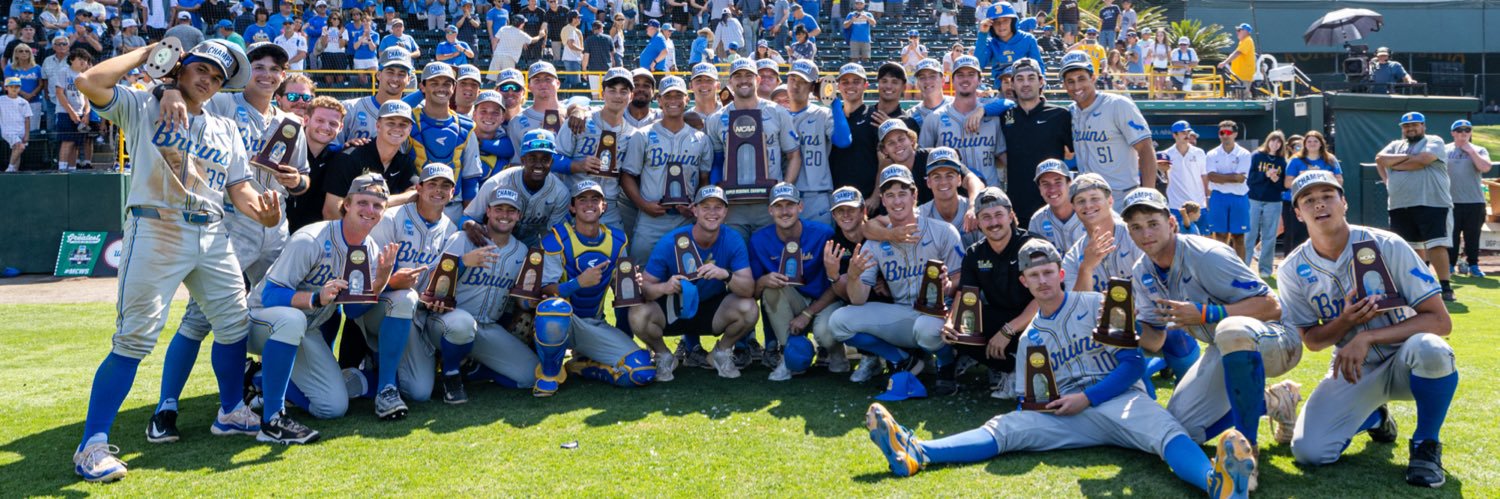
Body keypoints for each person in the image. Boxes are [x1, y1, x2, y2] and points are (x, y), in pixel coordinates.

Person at [860, 237, 1257, 499]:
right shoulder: (1031, 338)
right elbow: (1028, 400)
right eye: (1034, 275)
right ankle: (917, 452)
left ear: (1060, 273)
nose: (1043, 280)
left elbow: (1133, 363)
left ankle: (1215, 482)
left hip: (1118, 398)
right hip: (1069, 415)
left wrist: (1087, 397)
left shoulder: (1097, 304)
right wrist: (1037, 411)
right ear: (1024, 282)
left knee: (1166, 429)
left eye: (1048, 271)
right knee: (1007, 427)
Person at [70, 39, 288, 482]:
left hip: (211, 230)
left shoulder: (225, 127)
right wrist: (156, 51)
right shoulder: (143, 105)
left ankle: (230, 412)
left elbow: (239, 188)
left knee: (233, 324)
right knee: (134, 338)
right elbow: (88, 81)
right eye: (201, 69)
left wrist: (261, 211)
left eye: (217, 77)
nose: (207, 80)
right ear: (180, 68)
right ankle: (91, 445)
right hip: (157, 224)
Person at [147, 42, 313, 442]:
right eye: (259, 65)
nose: (267, 74)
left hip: (275, 226)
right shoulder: (222, 103)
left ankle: (249, 401)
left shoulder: (290, 121)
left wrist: (296, 181)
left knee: (275, 309)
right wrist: (167, 89)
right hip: (230, 222)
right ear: (247, 71)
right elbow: (173, 96)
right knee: (200, 318)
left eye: (276, 68)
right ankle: (166, 405)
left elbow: (305, 179)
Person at [1278, 170, 1458, 489]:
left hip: (1407, 360)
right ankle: (1375, 417)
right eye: (1308, 200)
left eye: (1327, 196)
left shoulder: (1386, 244)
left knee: (1432, 349)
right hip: (1354, 369)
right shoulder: (1293, 269)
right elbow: (1313, 341)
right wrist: (1347, 321)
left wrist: (1367, 335)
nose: (1319, 205)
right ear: (1297, 212)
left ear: (1343, 202)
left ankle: (1426, 445)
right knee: (1309, 452)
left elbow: (1440, 321)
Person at [1122, 187, 1303, 492]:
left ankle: (1250, 447)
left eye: (1152, 223)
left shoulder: (1206, 254)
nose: (1145, 234)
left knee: (1230, 329)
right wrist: (1125, 329)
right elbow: (1155, 341)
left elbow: (1271, 306)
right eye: (1135, 227)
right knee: (1182, 429)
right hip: (1226, 347)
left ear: (1172, 223)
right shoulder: (1142, 272)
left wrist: (1206, 313)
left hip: (1278, 340)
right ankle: (1272, 401)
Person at [829, 165, 964, 400]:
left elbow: (961, 278)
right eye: (890, 195)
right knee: (839, 322)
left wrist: (948, 285)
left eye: (902, 193)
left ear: (915, 195)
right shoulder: (874, 243)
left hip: (938, 314)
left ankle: (946, 363)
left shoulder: (943, 231)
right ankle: (902, 358)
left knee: (926, 329)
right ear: (882, 199)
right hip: (902, 312)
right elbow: (858, 299)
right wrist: (852, 275)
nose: (896, 201)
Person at [529, 181, 660, 395]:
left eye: (595, 199)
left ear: (604, 207)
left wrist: (632, 283)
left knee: (641, 371)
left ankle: (582, 366)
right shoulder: (557, 240)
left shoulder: (617, 240)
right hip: (561, 321)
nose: (589, 204)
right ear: (572, 207)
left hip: (593, 323)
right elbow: (544, 291)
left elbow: (622, 295)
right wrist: (578, 283)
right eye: (582, 199)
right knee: (554, 308)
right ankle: (549, 374)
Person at [630, 185, 759, 380]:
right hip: (674, 308)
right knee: (638, 314)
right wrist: (665, 287)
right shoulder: (671, 241)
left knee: (749, 308)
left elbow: (749, 289)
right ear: (695, 210)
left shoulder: (732, 239)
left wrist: (726, 275)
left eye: (718, 207)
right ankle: (664, 355)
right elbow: (645, 289)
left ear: (726, 211)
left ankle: (720, 353)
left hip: (712, 308)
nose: (712, 213)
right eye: (705, 207)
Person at [430, 186, 540, 394]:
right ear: (488, 211)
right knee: (462, 324)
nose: (504, 215)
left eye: (511, 210)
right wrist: (463, 263)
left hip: (487, 327)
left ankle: (476, 370)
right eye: (499, 209)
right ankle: (451, 373)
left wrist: (528, 302)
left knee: (532, 375)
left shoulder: (521, 251)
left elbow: (516, 299)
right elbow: (434, 284)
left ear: (519, 215)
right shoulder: (462, 239)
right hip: (447, 321)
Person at [942, 186, 1036, 397]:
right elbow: (966, 295)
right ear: (978, 221)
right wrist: (950, 321)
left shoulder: (1032, 246)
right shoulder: (975, 253)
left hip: (1036, 320)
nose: (993, 223)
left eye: (998, 215)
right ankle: (1010, 370)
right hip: (1000, 316)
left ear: (1011, 215)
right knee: (957, 330)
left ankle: (1030, 370)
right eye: (986, 217)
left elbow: (1047, 298)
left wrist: (1007, 330)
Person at [706, 57, 802, 242]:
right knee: (737, 259)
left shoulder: (778, 112)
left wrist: (783, 191)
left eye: (748, 75)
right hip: (734, 205)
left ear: (757, 80)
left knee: (769, 259)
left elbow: (794, 155)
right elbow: (717, 161)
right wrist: (719, 194)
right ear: (730, 82)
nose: (743, 80)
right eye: (738, 76)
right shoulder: (716, 119)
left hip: (769, 203)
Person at [748, 182, 838, 379]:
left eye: (789, 205)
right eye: (778, 206)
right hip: (791, 303)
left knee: (827, 335)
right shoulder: (759, 240)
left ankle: (835, 353)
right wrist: (763, 281)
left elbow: (838, 285)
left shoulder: (824, 234)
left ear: (800, 207)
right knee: (771, 291)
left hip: (821, 303)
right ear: (770, 210)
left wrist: (808, 313)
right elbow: (753, 294)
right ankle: (788, 356)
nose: (784, 211)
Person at [621, 75, 711, 261]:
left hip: (685, 219)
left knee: (688, 275)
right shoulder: (643, 135)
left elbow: (704, 180)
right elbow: (627, 176)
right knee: (641, 275)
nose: (673, 101)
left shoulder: (701, 138)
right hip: (651, 219)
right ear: (659, 100)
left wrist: (697, 206)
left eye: (678, 96)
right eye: (668, 96)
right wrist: (643, 205)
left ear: (687, 99)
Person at [1374, 112, 1456, 301]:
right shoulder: (1396, 144)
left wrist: (1395, 163)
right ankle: (1419, 284)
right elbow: (1380, 159)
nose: (1411, 129)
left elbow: (1423, 160)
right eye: (1406, 126)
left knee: (1436, 244)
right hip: (1400, 204)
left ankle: (1445, 287)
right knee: (1408, 248)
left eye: (1415, 125)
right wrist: (1389, 178)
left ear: (1423, 126)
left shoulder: (1434, 140)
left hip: (1432, 202)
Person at [1060, 50, 1155, 209]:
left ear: (1093, 77)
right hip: (1088, 200)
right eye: (1070, 81)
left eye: (1081, 79)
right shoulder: (1071, 112)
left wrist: (1148, 197)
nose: (1076, 86)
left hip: (1122, 197)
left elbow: (1145, 148)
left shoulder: (1118, 105)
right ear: (1064, 85)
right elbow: (1068, 152)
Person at [987, 58, 1068, 225]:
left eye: (1031, 78)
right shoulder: (1005, 116)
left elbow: (1075, 154)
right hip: (1017, 208)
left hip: (1054, 205)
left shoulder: (1060, 115)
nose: (1025, 84)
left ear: (1041, 82)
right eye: (1020, 79)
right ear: (1013, 84)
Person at [558, 67, 637, 229]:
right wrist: (578, 165)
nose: (617, 96)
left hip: (609, 206)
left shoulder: (633, 134)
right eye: (612, 90)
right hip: (574, 203)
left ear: (631, 96)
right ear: (602, 94)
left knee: (616, 252)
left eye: (623, 91)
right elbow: (553, 160)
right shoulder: (580, 122)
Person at [467, 129, 572, 247]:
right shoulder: (497, 182)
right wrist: (468, 224)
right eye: (532, 158)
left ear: (551, 162)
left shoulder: (560, 192)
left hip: (534, 248)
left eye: (545, 159)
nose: (538, 164)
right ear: (522, 160)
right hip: (491, 243)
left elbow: (555, 233)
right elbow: (469, 217)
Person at [407, 62, 481, 221]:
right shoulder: (408, 122)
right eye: (434, 83)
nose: (441, 88)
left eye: (447, 84)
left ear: (454, 87)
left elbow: (470, 179)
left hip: (453, 209)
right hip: (412, 207)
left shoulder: (465, 128)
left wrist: (468, 219)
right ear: (422, 86)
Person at [325, 100, 421, 215]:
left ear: (409, 130)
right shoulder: (350, 157)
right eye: (390, 123)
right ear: (378, 126)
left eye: (403, 124)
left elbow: (417, 193)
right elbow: (331, 210)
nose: (397, 128)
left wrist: (382, 201)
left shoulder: (404, 162)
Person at [783, 60, 841, 225]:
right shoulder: (778, 115)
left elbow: (843, 141)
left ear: (812, 87)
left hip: (817, 196)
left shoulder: (823, 114)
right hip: (785, 198)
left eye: (803, 82)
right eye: (793, 79)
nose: (796, 85)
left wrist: (834, 102)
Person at [1060, 173, 1140, 293]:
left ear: (1110, 201)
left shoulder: (1135, 236)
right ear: (1073, 207)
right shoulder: (1073, 257)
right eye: (1081, 201)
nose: (1088, 206)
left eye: (1094, 198)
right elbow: (1078, 305)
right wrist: (1086, 268)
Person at [286, 96, 346, 231]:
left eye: (333, 123)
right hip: (279, 231)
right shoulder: (287, 148)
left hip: (316, 234)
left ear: (341, 127)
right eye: (320, 120)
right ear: (306, 120)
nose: (326, 127)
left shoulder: (340, 156)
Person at [338, 47, 412, 143]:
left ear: (409, 79)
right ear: (378, 75)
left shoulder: (411, 117)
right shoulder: (350, 108)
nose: (395, 78)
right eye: (390, 72)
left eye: (401, 74)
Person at [1445, 120, 1490, 278]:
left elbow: (1485, 167)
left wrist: (1470, 151)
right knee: (1451, 235)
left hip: (1474, 201)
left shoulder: (1479, 150)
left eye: (1467, 130)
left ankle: (1473, 265)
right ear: (1453, 133)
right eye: (1459, 130)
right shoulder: (1444, 150)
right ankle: (1450, 265)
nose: (1463, 133)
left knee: (1473, 235)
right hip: (1450, 202)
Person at [1282, 130, 1340, 251]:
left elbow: (1339, 181)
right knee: (1296, 235)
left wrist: (1321, 176)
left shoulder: (1330, 159)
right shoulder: (1295, 160)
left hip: (1323, 202)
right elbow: (1287, 183)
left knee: (1322, 232)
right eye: (1309, 141)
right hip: (1299, 202)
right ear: (1305, 144)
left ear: (1321, 144)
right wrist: (1303, 177)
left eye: (1315, 141)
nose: (1312, 143)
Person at [1205, 119, 1252, 257]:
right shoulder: (1212, 154)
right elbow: (1211, 177)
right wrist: (1232, 177)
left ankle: (1241, 272)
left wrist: (1221, 177)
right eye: (1221, 132)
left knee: (1239, 237)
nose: (1225, 135)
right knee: (1219, 236)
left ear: (1235, 134)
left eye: (1228, 132)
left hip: (1239, 197)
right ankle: (1222, 268)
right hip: (1218, 196)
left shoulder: (1244, 153)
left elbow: (1241, 179)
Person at [1244, 130, 1287, 277]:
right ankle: (1244, 267)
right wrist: (1265, 174)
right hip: (1254, 199)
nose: (1275, 144)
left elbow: (1284, 185)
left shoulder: (1282, 161)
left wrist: (1276, 180)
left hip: (1273, 201)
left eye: (1278, 142)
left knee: (1269, 236)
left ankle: (1265, 271)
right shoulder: (1256, 155)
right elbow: (1249, 178)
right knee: (1249, 234)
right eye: (1273, 140)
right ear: (1268, 141)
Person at [1027, 159, 1086, 256]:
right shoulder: (1037, 221)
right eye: (1045, 184)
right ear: (1040, 188)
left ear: (1069, 183)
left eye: (1058, 182)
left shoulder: (1088, 211)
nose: (1052, 189)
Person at [1161, 120, 1209, 234]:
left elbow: (1204, 177)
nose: (1186, 135)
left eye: (1188, 132)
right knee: (1178, 241)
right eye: (1183, 132)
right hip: (1176, 206)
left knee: (1203, 241)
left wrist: (1208, 199)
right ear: (1174, 135)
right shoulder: (1166, 154)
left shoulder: (1199, 153)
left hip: (1199, 205)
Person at [975, 2, 1041, 83]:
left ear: (1013, 22)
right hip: (1002, 90)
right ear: (991, 25)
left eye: (1005, 21)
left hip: (1025, 89)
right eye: (996, 22)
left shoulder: (1028, 39)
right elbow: (978, 65)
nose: (1001, 25)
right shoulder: (990, 43)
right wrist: (982, 35)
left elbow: (1039, 68)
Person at [52, 48, 92, 171]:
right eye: (80, 59)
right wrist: (71, 112)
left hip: (80, 113)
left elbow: (86, 98)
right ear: (71, 60)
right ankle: (62, 169)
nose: (83, 62)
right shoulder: (64, 71)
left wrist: (86, 114)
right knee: (67, 141)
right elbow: (59, 93)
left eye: (85, 60)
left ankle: (72, 169)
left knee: (75, 144)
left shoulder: (84, 76)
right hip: (64, 112)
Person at [0, 77, 31, 171]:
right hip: (8, 131)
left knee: (16, 151)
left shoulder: (24, 102)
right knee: (20, 147)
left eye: (17, 86)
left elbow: (27, 119)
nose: (14, 89)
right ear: (6, 88)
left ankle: (14, 174)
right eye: (11, 86)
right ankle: (9, 169)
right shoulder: (1, 100)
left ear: (20, 88)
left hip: (21, 132)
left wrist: (27, 135)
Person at [1218, 23, 1255, 99]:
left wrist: (1225, 62)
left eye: (1239, 30)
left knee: (1243, 97)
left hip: (1244, 77)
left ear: (1246, 31)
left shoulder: (1248, 40)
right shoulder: (1243, 42)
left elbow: (1237, 53)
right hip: (1240, 77)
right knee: (1239, 97)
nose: (1237, 32)